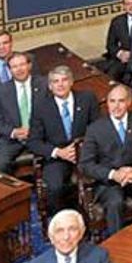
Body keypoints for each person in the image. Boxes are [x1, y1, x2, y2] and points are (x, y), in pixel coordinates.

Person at [80, 84, 132, 232]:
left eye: (121, 101)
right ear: (107, 103)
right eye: (112, 101)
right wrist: (113, 174)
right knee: (115, 202)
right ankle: (117, 245)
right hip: (109, 181)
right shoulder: (95, 128)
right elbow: (86, 164)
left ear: (129, 102)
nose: (116, 106)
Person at [28, 65, 98, 214]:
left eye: (64, 80)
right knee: (54, 186)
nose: (60, 84)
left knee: (99, 178)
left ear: (71, 82)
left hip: (85, 154)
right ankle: (61, 221)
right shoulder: (41, 107)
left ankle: (89, 221)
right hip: (57, 156)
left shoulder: (87, 98)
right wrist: (58, 152)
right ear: (50, 86)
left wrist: (80, 149)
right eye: (55, 81)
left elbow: (97, 130)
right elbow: (33, 141)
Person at [0, 50, 43, 173]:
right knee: (1, 163)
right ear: (9, 70)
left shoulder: (45, 85)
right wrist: (13, 132)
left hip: (42, 136)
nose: (19, 69)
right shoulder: (0, 91)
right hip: (14, 139)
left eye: (22, 65)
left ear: (29, 66)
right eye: (14, 67)